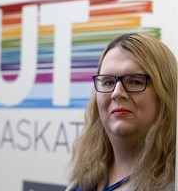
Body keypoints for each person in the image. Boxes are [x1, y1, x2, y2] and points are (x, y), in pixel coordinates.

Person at [66, 33, 176, 191]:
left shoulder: (172, 183)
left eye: (135, 81)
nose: (117, 93)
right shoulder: (87, 174)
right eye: (108, 82)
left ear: (165, 92)